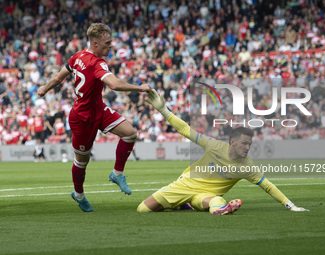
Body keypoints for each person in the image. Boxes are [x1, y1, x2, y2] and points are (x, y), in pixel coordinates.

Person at [137, 90, 309, 215]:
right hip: (186, 185)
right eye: (244, 143)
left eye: (249, 144)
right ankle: (181, 203)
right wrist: (163, 110)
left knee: (217, 201)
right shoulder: (213, 146)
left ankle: (216, 209)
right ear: (232, 142)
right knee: (143, 209)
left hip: (206, 196)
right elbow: (185, 129)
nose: (247, 148)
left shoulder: (247, 165)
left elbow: (268, 186)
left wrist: (290, 205)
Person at [38, 23, 151, 212]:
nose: (111, 46)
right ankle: (79, 194)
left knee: (130, 133)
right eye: (107, 43)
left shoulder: (77, 56)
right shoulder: (96, 63)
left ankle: (117, 174)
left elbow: (58, 78)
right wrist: (140, 88)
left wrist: (44, 88)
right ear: (95, 42)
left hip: (99, 109)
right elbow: (114, 84)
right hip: (82, 118)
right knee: (82, 161)